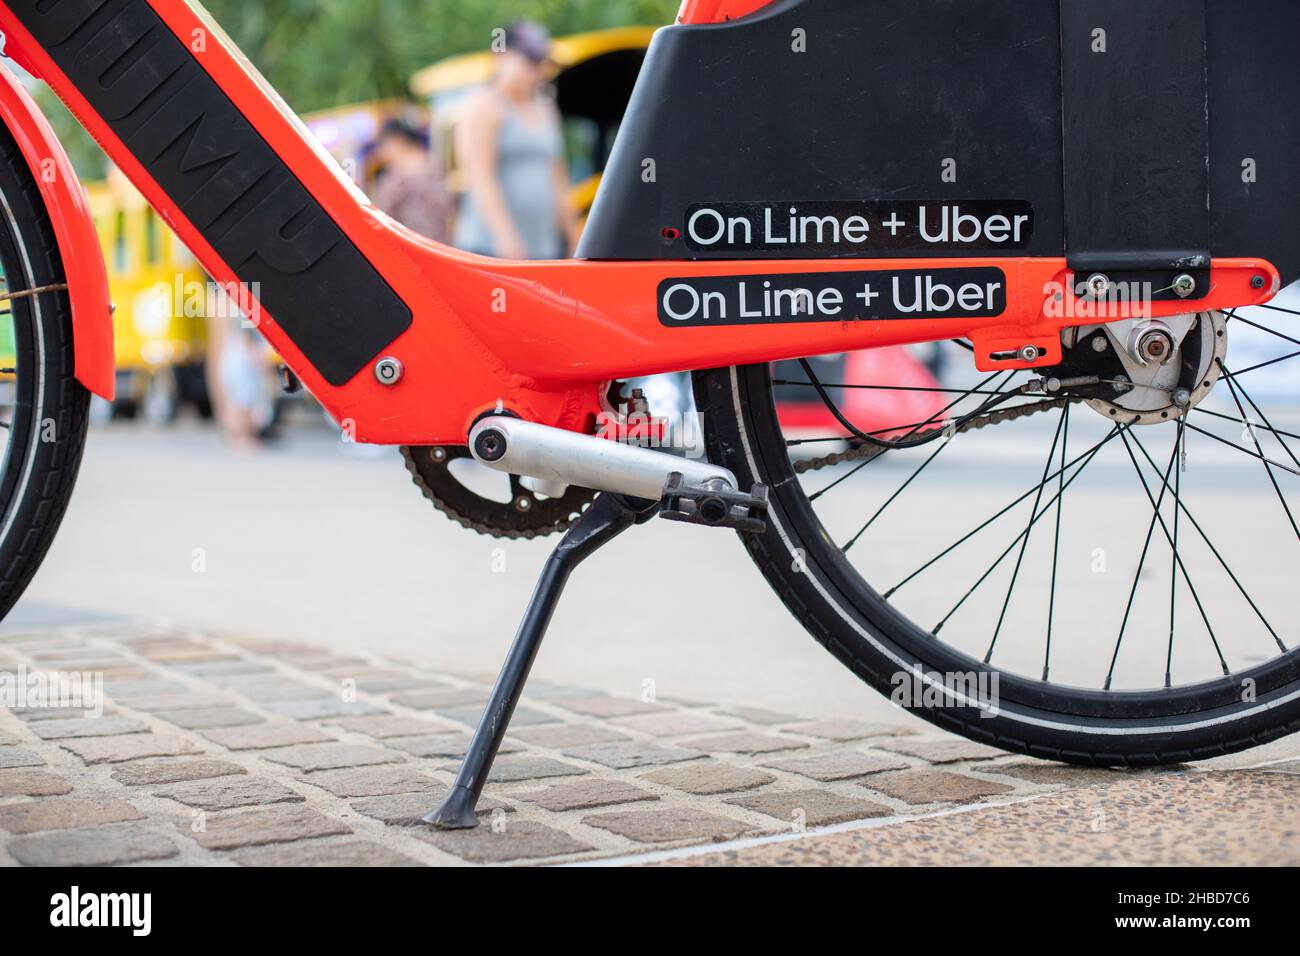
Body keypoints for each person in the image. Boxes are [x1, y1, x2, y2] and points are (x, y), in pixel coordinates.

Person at [453, 21, 578, 260]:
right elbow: (481, 176)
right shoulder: (484, 105)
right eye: (530, 62)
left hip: (543, 248)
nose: (537, 71)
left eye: (540, 63)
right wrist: (506, 238)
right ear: (501, 56)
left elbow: (558, 176)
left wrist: (574, 234)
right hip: (491, 249)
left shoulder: (545, 107)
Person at [371, 118, 453, 243]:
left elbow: (383, 218)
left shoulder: (395, 177)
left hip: (412, 247)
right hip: (444, 246)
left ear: (397, 141)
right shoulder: (436, 164)